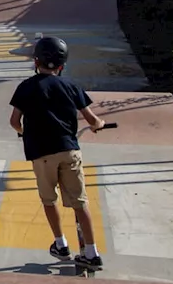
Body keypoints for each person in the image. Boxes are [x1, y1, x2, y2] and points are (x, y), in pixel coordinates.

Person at [8, 36, 107, 270]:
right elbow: (92, 120)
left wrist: (24, 132)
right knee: (80, 202)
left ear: (36, 61)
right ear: (62, 65)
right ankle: (92, 252)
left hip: (41, 153)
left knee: (49, 199)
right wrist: (98, 125)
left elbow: (14, 121)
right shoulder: (71, 86)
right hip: (69, 150)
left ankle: (60, 244)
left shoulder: (26, 87)